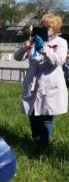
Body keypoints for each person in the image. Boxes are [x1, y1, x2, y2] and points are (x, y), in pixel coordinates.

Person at [14, 14, 68, 149]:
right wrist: (24, 48)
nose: (44, 29)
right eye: (43, 26)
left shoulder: (61, 42)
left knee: (45, 116)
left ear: (55, 28)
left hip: (50, 83)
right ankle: (36, 140)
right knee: (32, 115)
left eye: (47, 26)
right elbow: (17, 57)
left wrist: (43, 49)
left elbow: (58, 60)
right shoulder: (33, 40)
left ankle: (43, 146)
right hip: (33, 82)